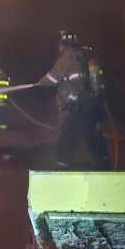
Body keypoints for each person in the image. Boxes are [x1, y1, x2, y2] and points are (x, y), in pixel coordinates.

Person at [37, 31, 109, 169]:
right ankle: (104, 163)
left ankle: (62, 166)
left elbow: (51, 79)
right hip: (88, 105)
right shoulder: (81, 59)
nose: (59, 48)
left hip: (74, 106)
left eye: (60, 45)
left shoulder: (65, 60)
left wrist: (40, 82)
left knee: (67, 136)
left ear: (64, 46)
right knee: (91, 134)